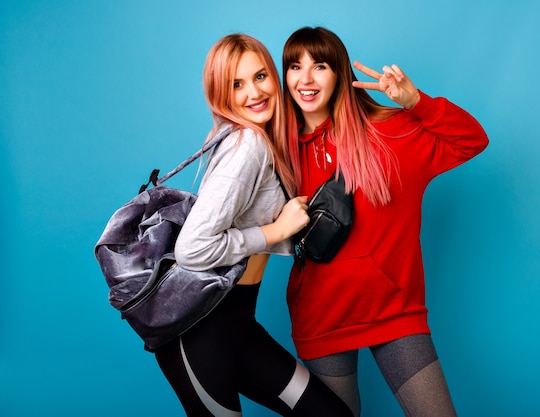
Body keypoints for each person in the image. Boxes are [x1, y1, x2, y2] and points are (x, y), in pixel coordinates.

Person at [282, 27, 489, 417]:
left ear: (339, 73)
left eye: (319, 66)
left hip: (395, 313)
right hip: (322, 318)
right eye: (295, 67)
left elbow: (472, 140)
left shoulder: (391, 133)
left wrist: (417, 103)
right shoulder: (280, 151)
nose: (305, 79)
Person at [153, 33, 353, 417]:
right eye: (236, 84)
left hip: (239, 325)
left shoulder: (262, 139)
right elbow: (191, 249)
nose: (254, 93)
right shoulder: (248, 144)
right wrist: (276, 231)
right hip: (199, 333)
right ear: (221, 93)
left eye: (260, 76)